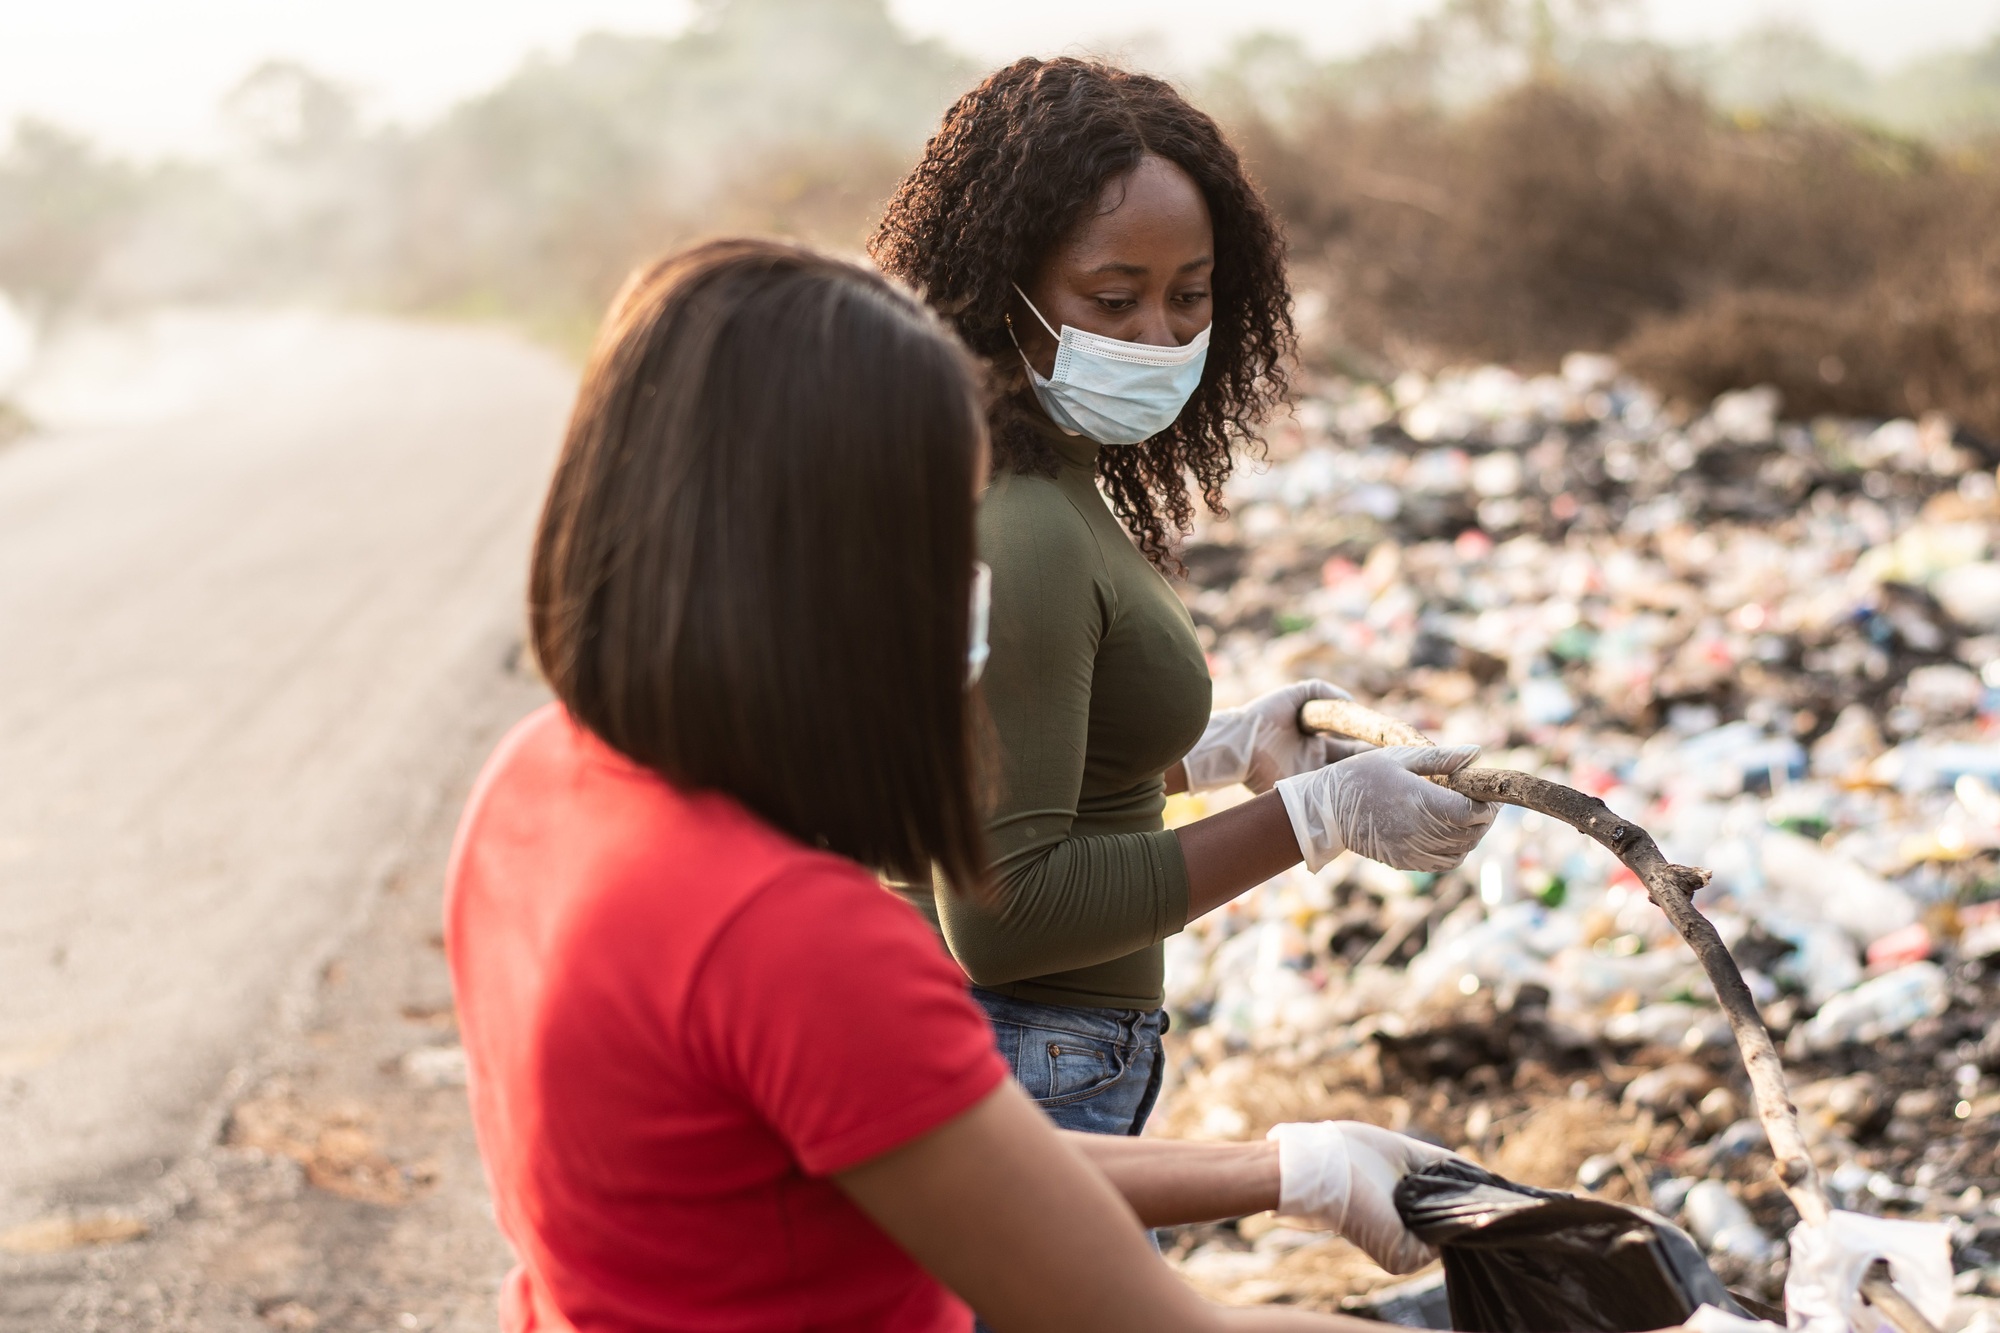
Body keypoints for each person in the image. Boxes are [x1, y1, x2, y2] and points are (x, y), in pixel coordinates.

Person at [444, 238, 1466, 1332]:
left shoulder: (536, 784)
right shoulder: (792, 938)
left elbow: (940, 1156)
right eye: (935, 529)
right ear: (815, 562)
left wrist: (1286, 1171)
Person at [870, 58, 1497, 1137]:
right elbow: (1007, 913)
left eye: (1189, 296)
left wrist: (1220, 753)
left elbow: (1010, 763)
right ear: (993, 287)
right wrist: (1313, 816)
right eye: (1113, 299)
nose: (1158, 338)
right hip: (1024, 1056)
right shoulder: (1020, 525)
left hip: (1019, 1049)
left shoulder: (1014, 478)